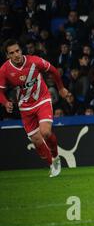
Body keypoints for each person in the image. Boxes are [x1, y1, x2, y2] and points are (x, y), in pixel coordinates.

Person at [0, 39, 69, 177]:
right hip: (25, 107)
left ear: (21, 50)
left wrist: (61, 88)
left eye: (18, 51)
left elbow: (54, 71)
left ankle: (56, 157)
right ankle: (52, 164)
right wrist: (5, 102)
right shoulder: (4, 70)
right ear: (8, 56)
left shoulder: (34, 61)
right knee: (36, 140)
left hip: (42, 99)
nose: (16, 55)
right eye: (12, 53)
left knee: (46, 132)